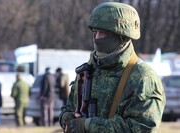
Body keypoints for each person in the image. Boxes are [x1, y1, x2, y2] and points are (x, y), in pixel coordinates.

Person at [59, 2, 166, 133]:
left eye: (103, 33)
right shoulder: (88, 71)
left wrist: (88, 126)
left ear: (122, 37)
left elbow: (142, 128)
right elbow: (69, 107)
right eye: (95, 32)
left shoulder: (142, 78)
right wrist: (66, 118)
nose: (97, 38)